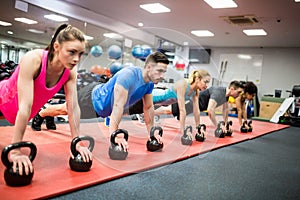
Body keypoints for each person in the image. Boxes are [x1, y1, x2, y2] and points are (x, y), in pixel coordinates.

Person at [0, 24, 92, 176]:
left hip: (16, 113)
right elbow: (25, 106)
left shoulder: (70, 71)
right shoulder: (33, 59)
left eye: (81, 54)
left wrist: (77, 143)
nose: (76, 59)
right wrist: (15, 150)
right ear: (56, 47)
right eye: (72, 52)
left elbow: (73, 107)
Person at [31, 51, 170, 152]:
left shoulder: (149, 84)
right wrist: (114, 136)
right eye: (160, 71)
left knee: (64, 109)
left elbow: (148, 108)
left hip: (103, 109)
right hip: (92, 99)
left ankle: (46, 114)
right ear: (149, 67)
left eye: (164, 72)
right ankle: (42, 114)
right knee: (64, 109)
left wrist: (152, 133)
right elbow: (117, 106)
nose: (162, 76)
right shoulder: (129, 75)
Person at [129, 69, 211, 137]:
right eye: (205, 82)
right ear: (197, 79)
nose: (207, 85)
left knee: (151, 110)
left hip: (162, 102)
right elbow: (182, 110)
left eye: (208, 83)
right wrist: (182, 130)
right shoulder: (183, 85)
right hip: (155, 96)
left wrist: (198, 127)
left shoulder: (195, 91)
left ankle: (143, 114)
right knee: (127, 110)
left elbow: (196, 111)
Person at [172, 80, 244, 133]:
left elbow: (225, 110)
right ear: (231, 89)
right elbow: (210, 110)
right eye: (238, 92)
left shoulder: (226, 96)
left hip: (198, 108)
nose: (239, 94)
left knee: (176, 115)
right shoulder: (218, 92)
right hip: (190, 103)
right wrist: (218, 126)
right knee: (169, 110)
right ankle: (160, 105)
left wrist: (226, 124)